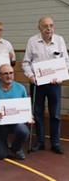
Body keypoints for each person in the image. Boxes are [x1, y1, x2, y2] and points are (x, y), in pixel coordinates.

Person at [22, 16, 69, 154]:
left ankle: (55, 143)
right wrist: (30, 76)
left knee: (55, 114)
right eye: (45, 26)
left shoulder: (59, 40)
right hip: (37, 83)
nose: (49, 28)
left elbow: (66, 61)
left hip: (55, 84)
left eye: (51, 25)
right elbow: (26, 62)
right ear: (39, 28)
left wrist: (60, 76)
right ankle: (40, 142)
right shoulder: (32, 41)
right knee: (38, 113)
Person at [0, 64, 32, 160]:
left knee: (24, 131)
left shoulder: (21, 88)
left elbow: (25, 107)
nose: (9, 76)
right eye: (5, 73)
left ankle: (16, 148)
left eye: (11, 73)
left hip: (14, 123)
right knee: (1, 155)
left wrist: (28, 117)